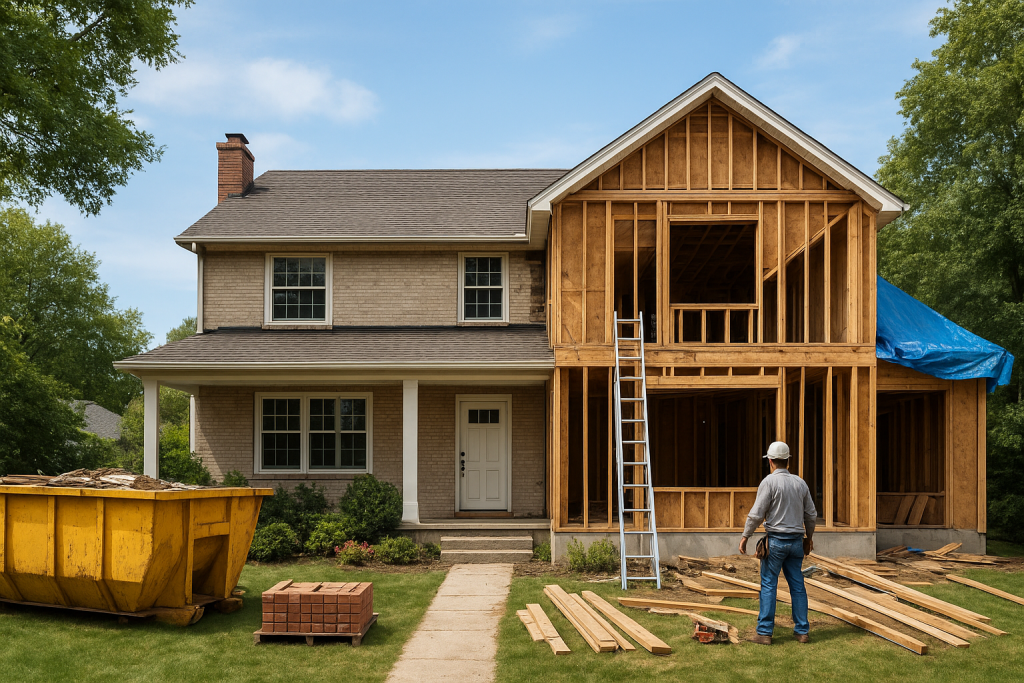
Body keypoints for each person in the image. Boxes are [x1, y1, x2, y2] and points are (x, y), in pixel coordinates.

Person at [738, 441, 817, 645]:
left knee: (769, 585)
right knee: (798, 586)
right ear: (788, 461)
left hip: (775, 542)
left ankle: (764, 633)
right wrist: (809, 537)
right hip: (796, 542)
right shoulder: (800, 483)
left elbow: (757, 514)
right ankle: (802, 632)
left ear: (771, 461)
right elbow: (811, 514)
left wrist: (746, 536)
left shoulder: (769, 483)